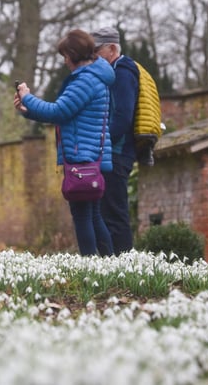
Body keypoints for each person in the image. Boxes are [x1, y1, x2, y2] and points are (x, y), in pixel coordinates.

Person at [14, 29, 114, 256]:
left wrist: (27, 96)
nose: (65, 61)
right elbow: (66, 113)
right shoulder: (96, 77)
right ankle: (111, 264)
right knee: (94, 215)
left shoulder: (85, 81)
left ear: (73, 53)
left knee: (82, 216)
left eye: (65, 56)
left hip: (82, 157)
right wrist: (27, 111)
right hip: (93, 157)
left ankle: (91, 267)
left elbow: (58, 111)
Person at [91, 26, 139, 255]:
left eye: (96, 51)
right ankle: (111, 263)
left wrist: (101, 144)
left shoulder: (122, 72)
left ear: (111, 48)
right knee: (105, 212)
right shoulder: (113, 72)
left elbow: (122, 117)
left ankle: (124, 265)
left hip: (117, 153)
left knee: (115, 214)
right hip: (112, 152)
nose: (93, 57)